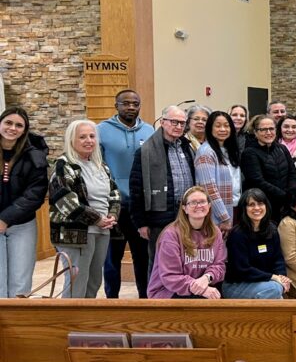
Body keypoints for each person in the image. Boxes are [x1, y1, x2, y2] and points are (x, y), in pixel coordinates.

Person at [49, 120, 120, 298]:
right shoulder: (63, 165)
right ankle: (71, 323)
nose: (88, 140)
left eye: (92, 136)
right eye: (82, 137)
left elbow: (114, 193)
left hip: (102, 230)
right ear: (71, 140)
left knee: (94, 280)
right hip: (76, 233)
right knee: (76, 282)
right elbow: (64, 200)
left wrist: (112, 215)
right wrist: (96, 218)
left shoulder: (101, 165)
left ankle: (86, 322)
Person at [97, 90, 155, 298]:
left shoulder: (149, 130)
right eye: (126, 103)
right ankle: (112, 301)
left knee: (143, 258)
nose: (131, 107)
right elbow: (98, 166)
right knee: (112, 259)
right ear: (117, 105)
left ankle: (145, 301)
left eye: (135, 103)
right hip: (114, 207)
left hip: (140, 207)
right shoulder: (101, 130)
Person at [129, 104, 195, 281]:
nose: (179, 126)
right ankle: (156, 300)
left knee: (186, 260)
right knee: (159, 262)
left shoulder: (187, 148)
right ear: (163, 122)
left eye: (182, 123)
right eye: (174, 122)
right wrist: (140, 222)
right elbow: (136, 188)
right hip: (159, 218)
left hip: (186, 216)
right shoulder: (146, 151)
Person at [0, 107, 48, 297]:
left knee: (20, 283)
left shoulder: (34, 155)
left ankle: (16, 325)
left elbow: (35, 193)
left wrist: (5, 218)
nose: (13, 128)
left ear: (25, 130)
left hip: (22, 224)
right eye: (8, 123)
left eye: (19, 125)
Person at [147, 186, 226, 299]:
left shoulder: (215, 232)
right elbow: (170, 276)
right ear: (184, 208)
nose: (199, 206)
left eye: (202, 202)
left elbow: (219, 265)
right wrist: (200, 288)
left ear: (209, 206)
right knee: (206, 306)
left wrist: (207, 277)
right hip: (167, 291)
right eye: (193, 202)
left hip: (202, 286)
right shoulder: (171, 235)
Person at [223, 188, 289, 298]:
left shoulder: (272, 229)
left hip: (266, 283)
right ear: (244, 208)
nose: (257, 208)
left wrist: (282, 277)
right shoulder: (237, 234)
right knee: (275, 289)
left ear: (266, 206)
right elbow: (242, 270)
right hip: (236, 285)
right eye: (251, 205)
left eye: (260, 203)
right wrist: (273, 277)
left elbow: (278, 259)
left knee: (276, 290)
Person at [240, 115, 296, 220]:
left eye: (271, 129)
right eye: (263, 129)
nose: (268, 132)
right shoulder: (249, 153)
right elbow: (257, 181)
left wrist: (291, 193)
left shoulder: (282, 149)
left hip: (285, 205)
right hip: (264, 206)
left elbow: (292, 173)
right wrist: (284, 195)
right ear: (255, 132)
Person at [192, 110, 242, 234]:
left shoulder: (228, 150)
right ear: (210, 128)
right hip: (218, 215)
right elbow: (209, 189)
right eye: (218, 126)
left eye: (226, 125)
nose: (223, 129)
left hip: (234, 207)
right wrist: (224, 217)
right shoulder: (206, 152)